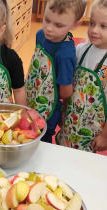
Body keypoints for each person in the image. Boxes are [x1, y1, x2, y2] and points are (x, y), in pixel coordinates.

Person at [25, 0, 87, 143]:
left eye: (58, 25)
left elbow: (65, 92)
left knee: (42, 141)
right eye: (47, 20)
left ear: (75, 24)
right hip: (31, 97)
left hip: (48, 111)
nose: (49, 29)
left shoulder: (65, 54)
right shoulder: (40, 35)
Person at [56, 0, 107, 152]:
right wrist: (64, 110)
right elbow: (69, 84)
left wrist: (104, 136)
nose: (94, 30)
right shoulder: (79, 50)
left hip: (93, 131)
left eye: (103, 26)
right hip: (70, 121)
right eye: (92, 23)